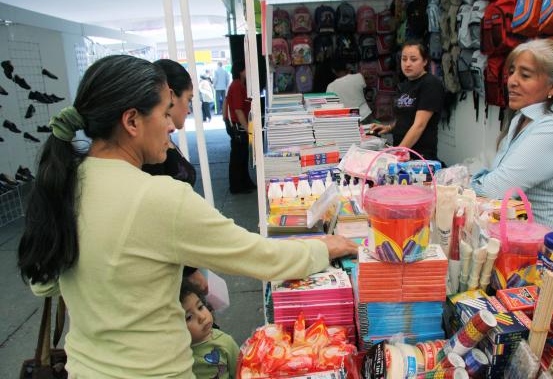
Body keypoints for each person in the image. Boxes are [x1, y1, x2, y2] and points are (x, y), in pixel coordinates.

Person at [17, 55, 357, 378]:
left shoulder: (61, 184)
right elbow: (261, 257)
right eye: (165, 114)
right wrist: (326, 246)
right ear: (132, 121)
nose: (171, 126)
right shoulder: (157, 198)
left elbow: (43, 285)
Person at [470, 39, 553, 233]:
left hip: (550, 250)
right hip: (520, 238)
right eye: (511, 72)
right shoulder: (522, 117)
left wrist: (465, 185)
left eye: (525, 75)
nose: (512, 81)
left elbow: (496, 189)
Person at [142, 59, 206, 292]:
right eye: (187, 100)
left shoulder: (161, 144)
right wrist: (189, 270)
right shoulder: (152, 155)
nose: (188, 109)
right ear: (170, 95)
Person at [369, 40, 445, 161]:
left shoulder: (430, 84)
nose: (407, 64)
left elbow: (419, 125)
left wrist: (398, 153)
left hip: (419, 156)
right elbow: (404, 116)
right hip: (403, 153)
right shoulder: (405, 85)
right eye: (404, 59)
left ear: (425, 61)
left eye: (413, 59)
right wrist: (388, 128)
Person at [180, 280, 239, 379]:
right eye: (189, 317)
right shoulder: (177, 352)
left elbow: (240, 371)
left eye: (200, 307)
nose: (202, 317)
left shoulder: (225, 342)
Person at [224, 60, 256, 194]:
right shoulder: (237, 86)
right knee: (238, 156)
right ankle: (237, 186)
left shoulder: (240, 85)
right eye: (246, 69)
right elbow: (238, 110)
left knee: (242, 155)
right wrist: (248, 129)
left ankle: (244, 182)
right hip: (238, 126)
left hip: (239, 125)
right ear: (240, 71)